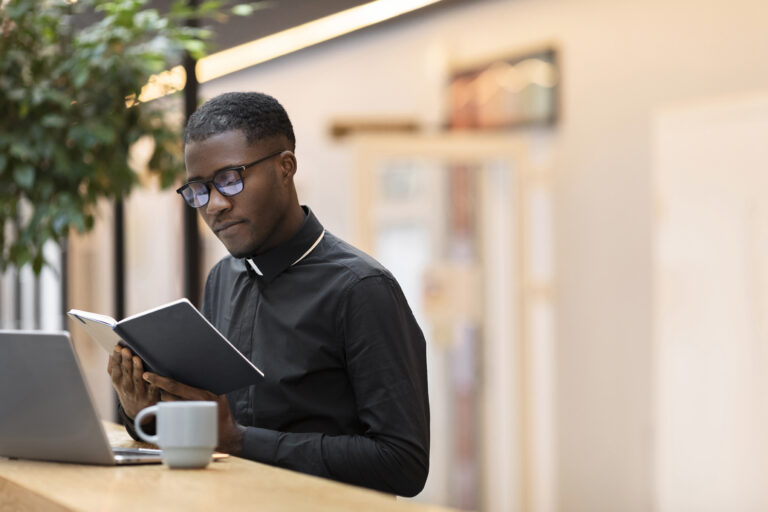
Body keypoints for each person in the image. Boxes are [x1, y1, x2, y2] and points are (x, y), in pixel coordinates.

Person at [107, 92, 430, 497]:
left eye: (229, 179)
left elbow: (403, 463)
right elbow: (216, 423)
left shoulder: (361, 289)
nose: (214, 206)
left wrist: (241, 442)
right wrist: (144, 414)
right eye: (199, 189)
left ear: (285, 167)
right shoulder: (223, 277)